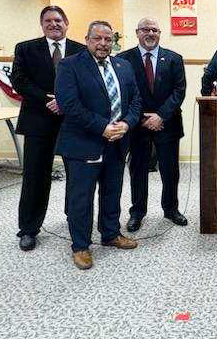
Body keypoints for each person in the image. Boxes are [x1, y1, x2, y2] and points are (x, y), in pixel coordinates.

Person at [55, 21, 142, 270]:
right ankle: (81, 246)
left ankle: (111, 233)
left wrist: (126, 124)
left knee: (112, 191)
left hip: (117, 141)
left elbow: (135, 100)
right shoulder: (70, 65)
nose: (103, 44)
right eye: (97, 39)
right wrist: (102, 127)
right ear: (87, 39)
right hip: (84, 142)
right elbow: (69, 104)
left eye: (107, 39)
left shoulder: (123, 66)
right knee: (81, 197)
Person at [10, 5, 85, 252]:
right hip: (38, 121)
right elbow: (19, 82)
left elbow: (87, 84)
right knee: (35, 177)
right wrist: (47, 100)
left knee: (76, 176)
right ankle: (29, 229)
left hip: (72, 121)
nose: (54, 24)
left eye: (58, 20)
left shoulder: (81, 51)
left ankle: (73, 218)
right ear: (42, 24)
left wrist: (64, 102)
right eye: (48, 21)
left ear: (67, 22)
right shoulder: (26, 48)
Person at [118, 17, 187, 231]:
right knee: (138, 170)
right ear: (137, 32)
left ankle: (171, 209)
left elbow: (179, 91)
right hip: (136, 126)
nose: (150, 33)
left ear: (160, 33)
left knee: (170, 170)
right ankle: (137, 212)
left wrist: (160, 116)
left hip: (167, 123)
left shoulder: (174, 58)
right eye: (145, 29)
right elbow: (123, 94)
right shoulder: (123, 59)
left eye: (154, 30)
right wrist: (141, 118)